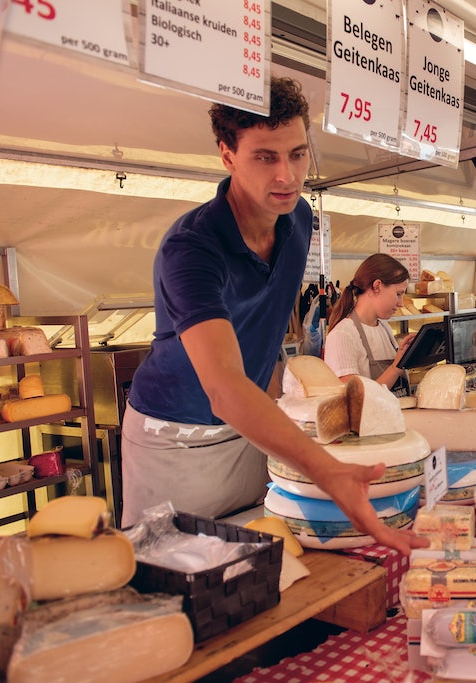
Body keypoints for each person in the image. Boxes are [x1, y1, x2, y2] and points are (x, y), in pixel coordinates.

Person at [121, 77, 423, 554]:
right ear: (227, 155)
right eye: (265, 157)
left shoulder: (298, 218)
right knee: (176, 571)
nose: (287, 175)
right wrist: (326, 471)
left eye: (298, 154)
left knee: (262, 555)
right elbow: (223, 385)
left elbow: (261, 333)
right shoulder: (192, 248)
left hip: (250, 429)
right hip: (174, 435)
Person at [323, 253, 415, 395]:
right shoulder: (343, 335)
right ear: (377, 286)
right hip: (368, 417)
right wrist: (396, 368)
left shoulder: (384, 327)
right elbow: (352, 397)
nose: (401, 303)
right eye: (398, 294)